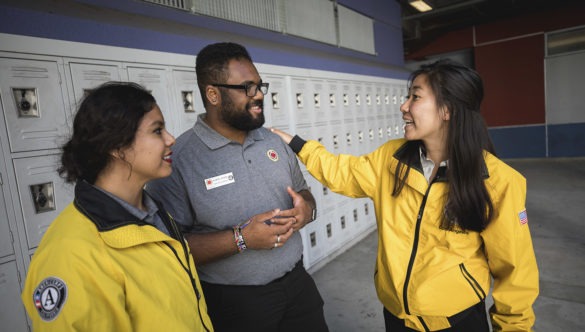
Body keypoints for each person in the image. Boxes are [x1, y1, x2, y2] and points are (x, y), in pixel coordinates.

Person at [271, 59, 539, 331]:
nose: (404, 106)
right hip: (397, 317)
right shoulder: (391, 158)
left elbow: (515, 272)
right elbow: (344, 172)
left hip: (458, 322)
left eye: (415, 97)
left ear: (448, 109)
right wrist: (297, 145)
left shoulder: (498, 182)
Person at [146, 42, 328, 332]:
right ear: (213, 94)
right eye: (246, 87)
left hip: (297, 285)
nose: (258, 96)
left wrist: (306, 210)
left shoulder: (273, 142)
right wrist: (241, 239)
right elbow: (170, 248)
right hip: (233, 304)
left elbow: (304, 193)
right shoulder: (179, 159)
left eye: (259, 85)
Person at [21, 82, 213, 331]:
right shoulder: (71, 255)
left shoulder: (152, 213)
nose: (171, 139)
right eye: (157, 131)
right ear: (116, 147)